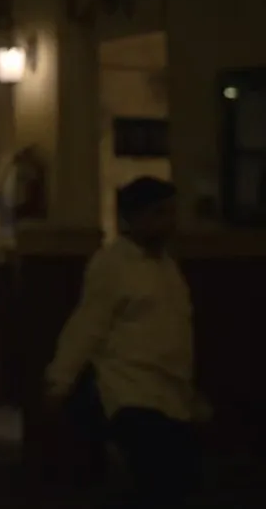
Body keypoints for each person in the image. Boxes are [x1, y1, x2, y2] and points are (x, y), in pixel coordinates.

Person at [45, 176, 205, 508]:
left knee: (183, 484)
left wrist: (191, 394)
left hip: (171, 392)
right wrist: (60, 381)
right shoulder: (112, 265)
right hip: (131, 390)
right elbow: (87, 327)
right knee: (158, 485)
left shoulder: (167, 266)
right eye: (160, 213)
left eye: (172, 213)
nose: (170, 222)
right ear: (135, 217)